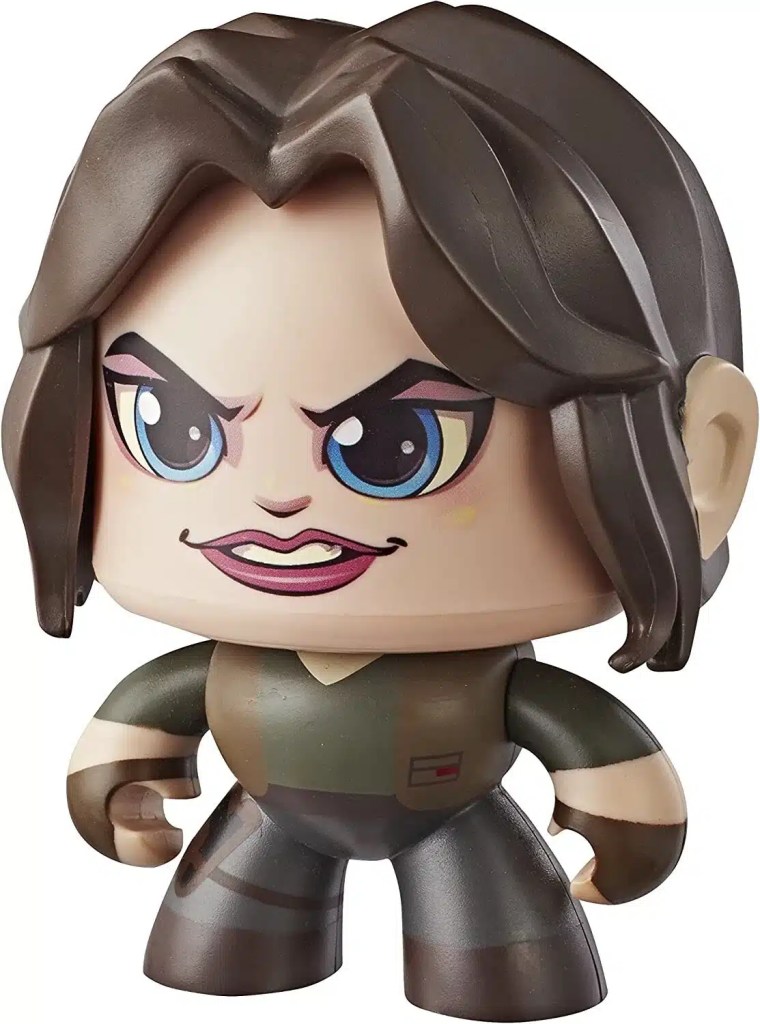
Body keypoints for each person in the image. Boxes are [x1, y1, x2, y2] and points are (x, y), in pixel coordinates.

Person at [4, 5, 756, 1020]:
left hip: (461, 826)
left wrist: (621, 805)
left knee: (498, 974)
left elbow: (576, 729)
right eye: (172, 428)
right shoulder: (230, 660)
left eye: (395, 444)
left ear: (702, 460)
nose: (276, 497)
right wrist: (120, 756)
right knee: (214, 963)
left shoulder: (486, 679)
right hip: (263, 824)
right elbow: (160, 701)